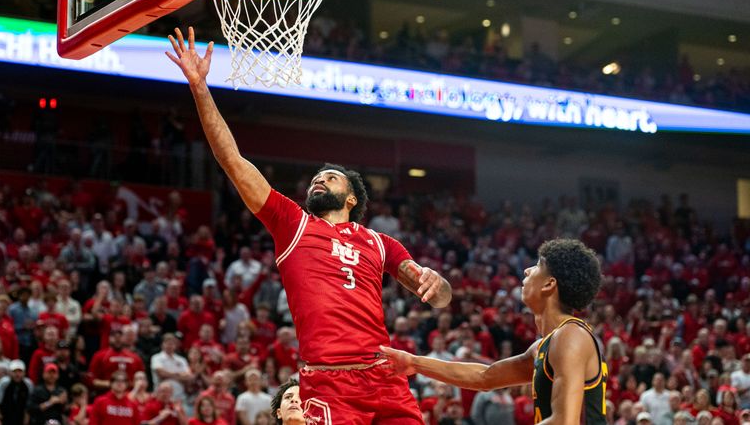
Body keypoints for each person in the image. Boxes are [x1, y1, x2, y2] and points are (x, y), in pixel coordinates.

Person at [167, 26, 451, 424]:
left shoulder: (381, 243)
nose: (320, 179)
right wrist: (199, 88)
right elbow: (232, 160)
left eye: (332, 177)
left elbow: (437, 298)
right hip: (329, 382)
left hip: (385, 377)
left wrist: (439, 287)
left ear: (352, 198)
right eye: (318, 177)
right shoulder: (292, 224)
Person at [381, 238, 605, 425]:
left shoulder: (571, 336)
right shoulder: (546, 345)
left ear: (549, 285)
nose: (527, 269)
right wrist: (413, 363)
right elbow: (484, 377)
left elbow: (564, 422)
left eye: (537, 265)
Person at [0, 360, 33, 425]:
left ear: (24, 373)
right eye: (14, 371)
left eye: (20, 371)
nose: (17, 374)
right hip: (5, 417)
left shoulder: (28, 384)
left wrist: (26, 420)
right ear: (9, 372)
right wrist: (0, 418)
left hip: (21, 417)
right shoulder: (3, 383)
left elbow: (29, 405)